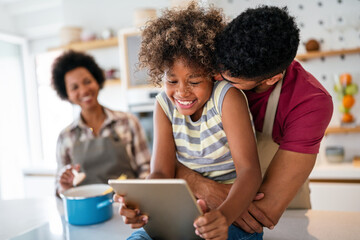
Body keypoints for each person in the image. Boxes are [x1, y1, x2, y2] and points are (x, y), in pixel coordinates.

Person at [175, 5, 333, 235]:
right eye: (216, 71)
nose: (216, 79)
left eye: (230, 80)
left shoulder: (310, 103)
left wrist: (192, 183)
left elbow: (264, 211)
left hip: (285, 221)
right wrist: (202, 187)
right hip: (203, 212)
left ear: (272, 79)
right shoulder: (217, 60)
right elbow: (164, 161)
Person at [114, 3, 262, 240]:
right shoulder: (163, 105)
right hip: (184, 213)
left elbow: (250, 172)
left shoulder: (227, 98)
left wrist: (223, 216)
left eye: (193, 82)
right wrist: (142, 203)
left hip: (231, 213)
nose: (181, 92)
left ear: (212, 74)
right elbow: (161, 173)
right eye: (172, 81)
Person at [52, 50, 151, 195]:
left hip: (128, 208)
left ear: (97, 81)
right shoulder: (66, 136)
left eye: (87, 82)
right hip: (87, 213)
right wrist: (65, 186)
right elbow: (59, 188)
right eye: (75, 87)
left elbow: (146, 170)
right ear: (67, 94)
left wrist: (137, 199)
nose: (84, 90)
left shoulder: (128, 122)